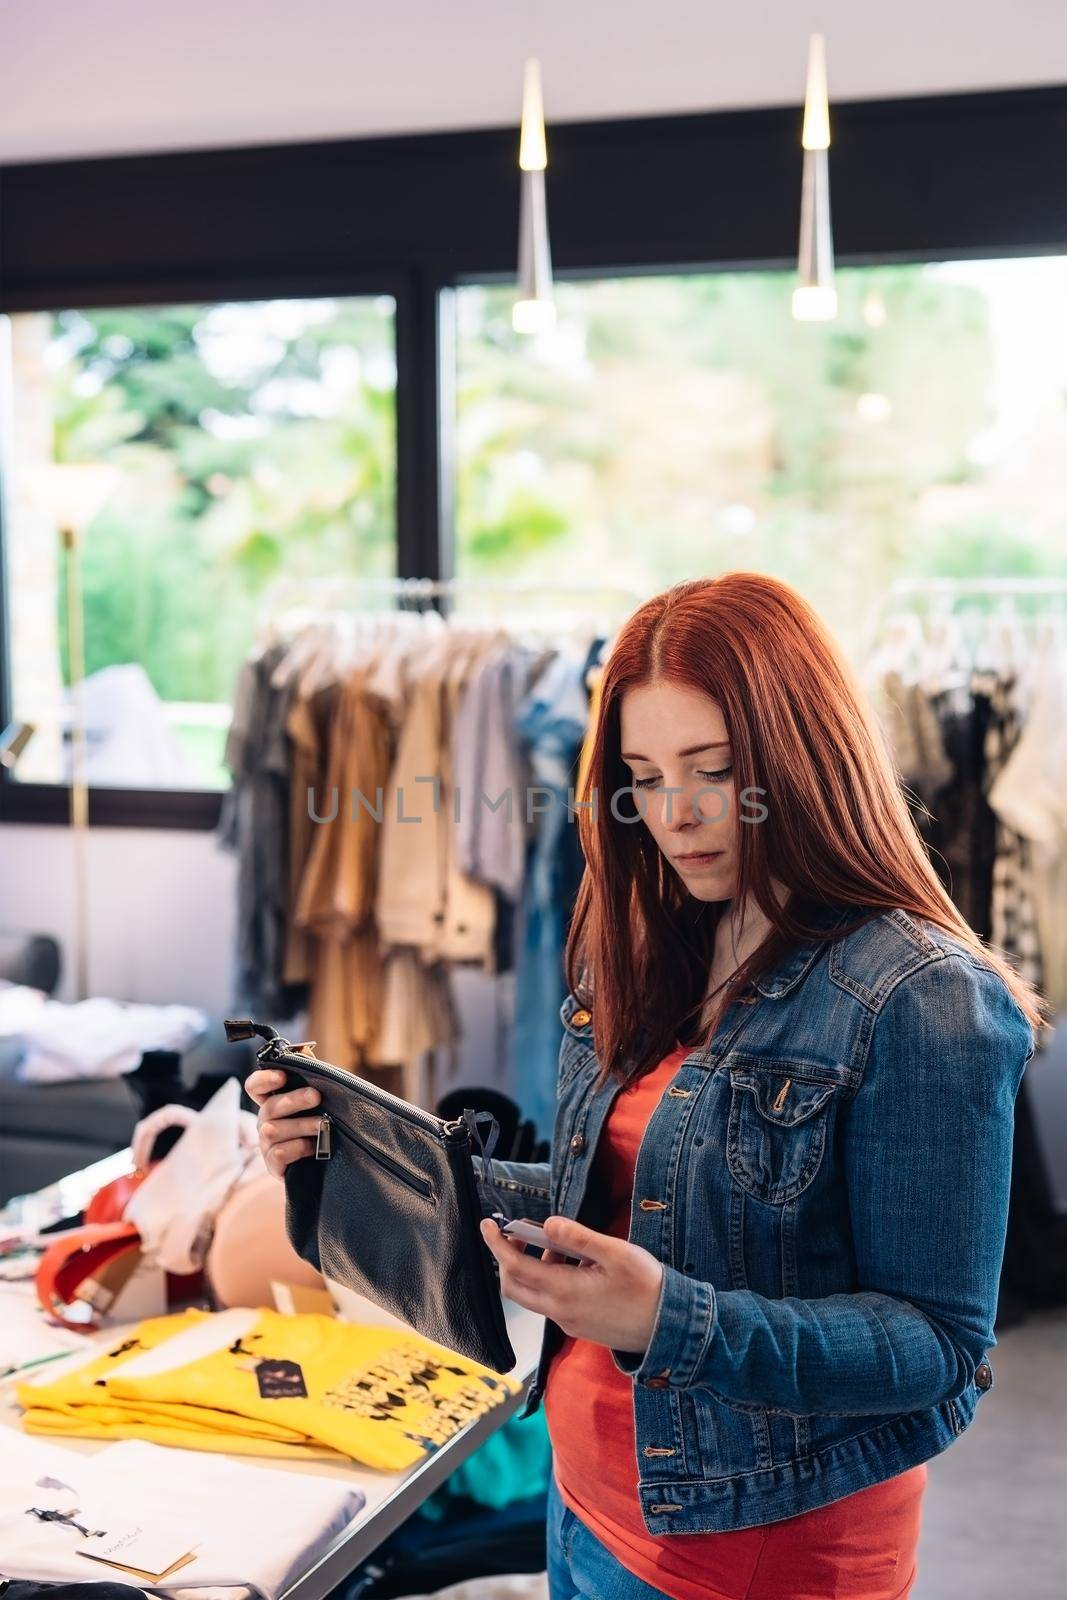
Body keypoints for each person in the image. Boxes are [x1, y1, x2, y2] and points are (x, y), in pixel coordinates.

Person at [248, 573, 1043, 1600]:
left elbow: (935, 1347)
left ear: (802, 759)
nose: (676, 814)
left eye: (711, 770)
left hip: (756, 1547)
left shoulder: (922, 997)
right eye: (644, 774)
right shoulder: (646, 939)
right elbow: (617, 1191)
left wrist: (670, 1318)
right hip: (584, 1498)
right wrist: (362, 1153)